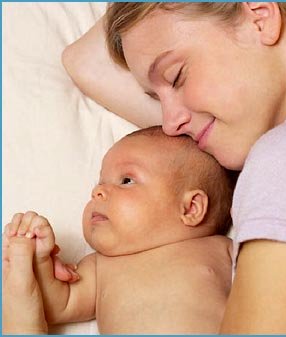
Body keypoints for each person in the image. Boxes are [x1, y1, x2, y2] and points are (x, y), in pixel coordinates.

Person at [62, 2, 286, 334]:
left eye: (176, 76)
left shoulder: (282, 159)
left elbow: (83, 61)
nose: (170, 124)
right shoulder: (250, 143)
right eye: (156, 99)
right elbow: (82, 62)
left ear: (259, 17)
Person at [4, 126, 234, 334]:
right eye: (99, 183)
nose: (98, 192)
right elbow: (57, 307)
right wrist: (40, 260)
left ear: (191, 207)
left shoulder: (222, 250)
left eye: (126, 180)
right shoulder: (100, 266)